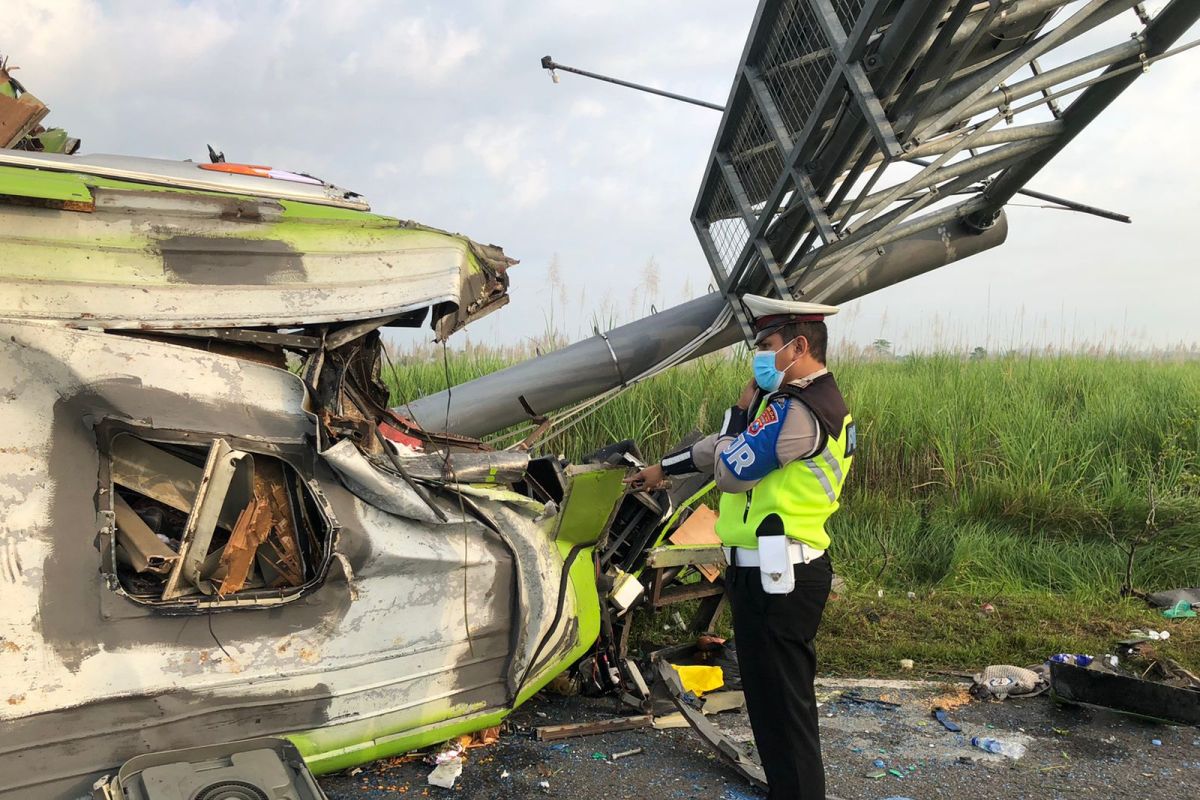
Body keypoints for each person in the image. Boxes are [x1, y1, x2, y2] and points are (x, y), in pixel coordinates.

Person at [626, 294, 855, 800]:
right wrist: (665, 469)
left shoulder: (802, 412)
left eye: (767, 345)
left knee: (785, 709)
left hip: (783, 577)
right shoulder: (788, 404)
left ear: (799, 345)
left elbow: (731, 471)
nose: (759, 358)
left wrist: (739, 413)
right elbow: (720, 447)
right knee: (770, 704)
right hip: (763, 573)